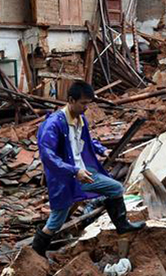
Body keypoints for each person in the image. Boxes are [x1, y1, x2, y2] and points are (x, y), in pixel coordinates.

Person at [33, 81, 144, 255]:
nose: (86, 108)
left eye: (88, 103)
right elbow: (48, 156)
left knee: (115, 188)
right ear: (71, 100)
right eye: (83, 103)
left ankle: (123, 226)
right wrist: (74, 171)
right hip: (66, 179)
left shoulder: (80, 119)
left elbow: (85, 140)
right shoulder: (53, 124)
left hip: (84, 173)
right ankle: (35, 254)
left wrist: (101, 149)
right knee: (55, 222)